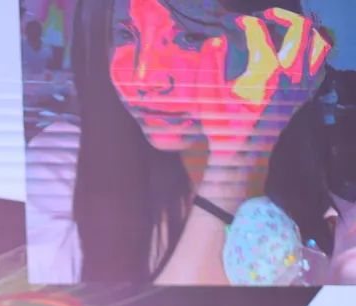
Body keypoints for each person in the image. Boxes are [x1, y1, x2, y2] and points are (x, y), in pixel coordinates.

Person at [26, 0, 335, 285]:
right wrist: (236, 160)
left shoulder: (331, 203)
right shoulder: (63, 166)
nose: (146, 78)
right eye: (125, 35)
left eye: (191, 37)